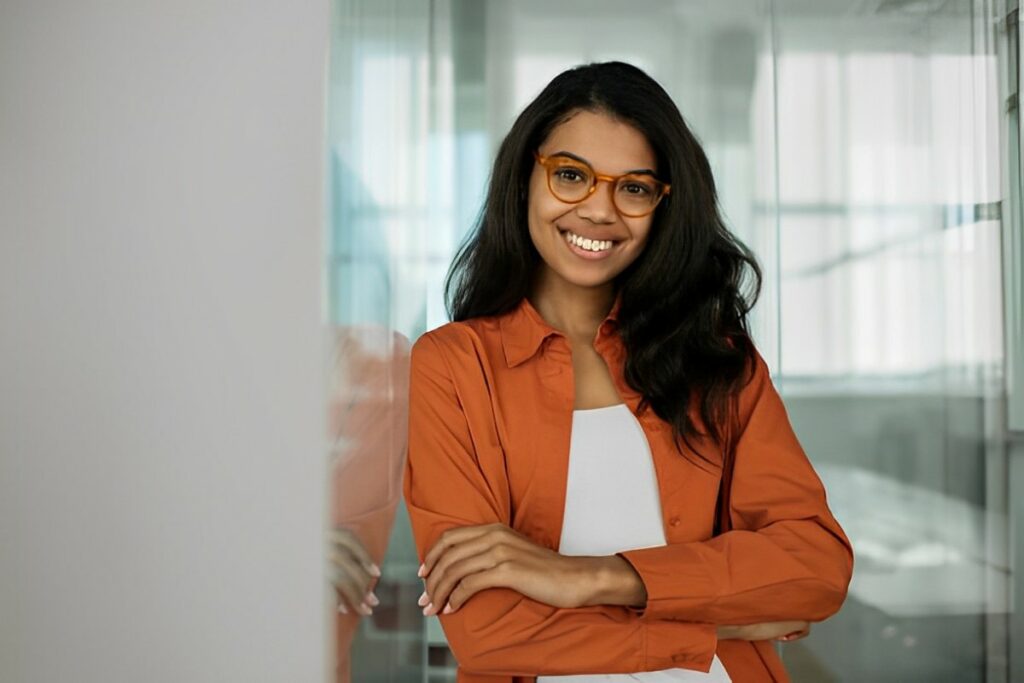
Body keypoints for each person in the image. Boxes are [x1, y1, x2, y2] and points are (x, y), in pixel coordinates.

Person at [402, 61, 853, 682]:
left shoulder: (718, 360)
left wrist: (586, 578)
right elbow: (487, 631)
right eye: (570, 176)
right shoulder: (452, 366)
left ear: (664, 206)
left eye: (634, 188)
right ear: (523, 178)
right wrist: (714, 622)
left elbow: (816, 567)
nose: (599, 211)